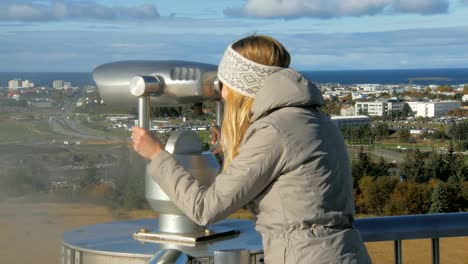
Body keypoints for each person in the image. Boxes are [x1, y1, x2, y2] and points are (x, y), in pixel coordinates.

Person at [132, 35, 371, 264]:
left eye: (224, 85)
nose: (222, 94)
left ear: (240, 88)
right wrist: (232, 147)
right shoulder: (315, 120)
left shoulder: (274, 132)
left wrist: (156, 155)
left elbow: (204, 209)